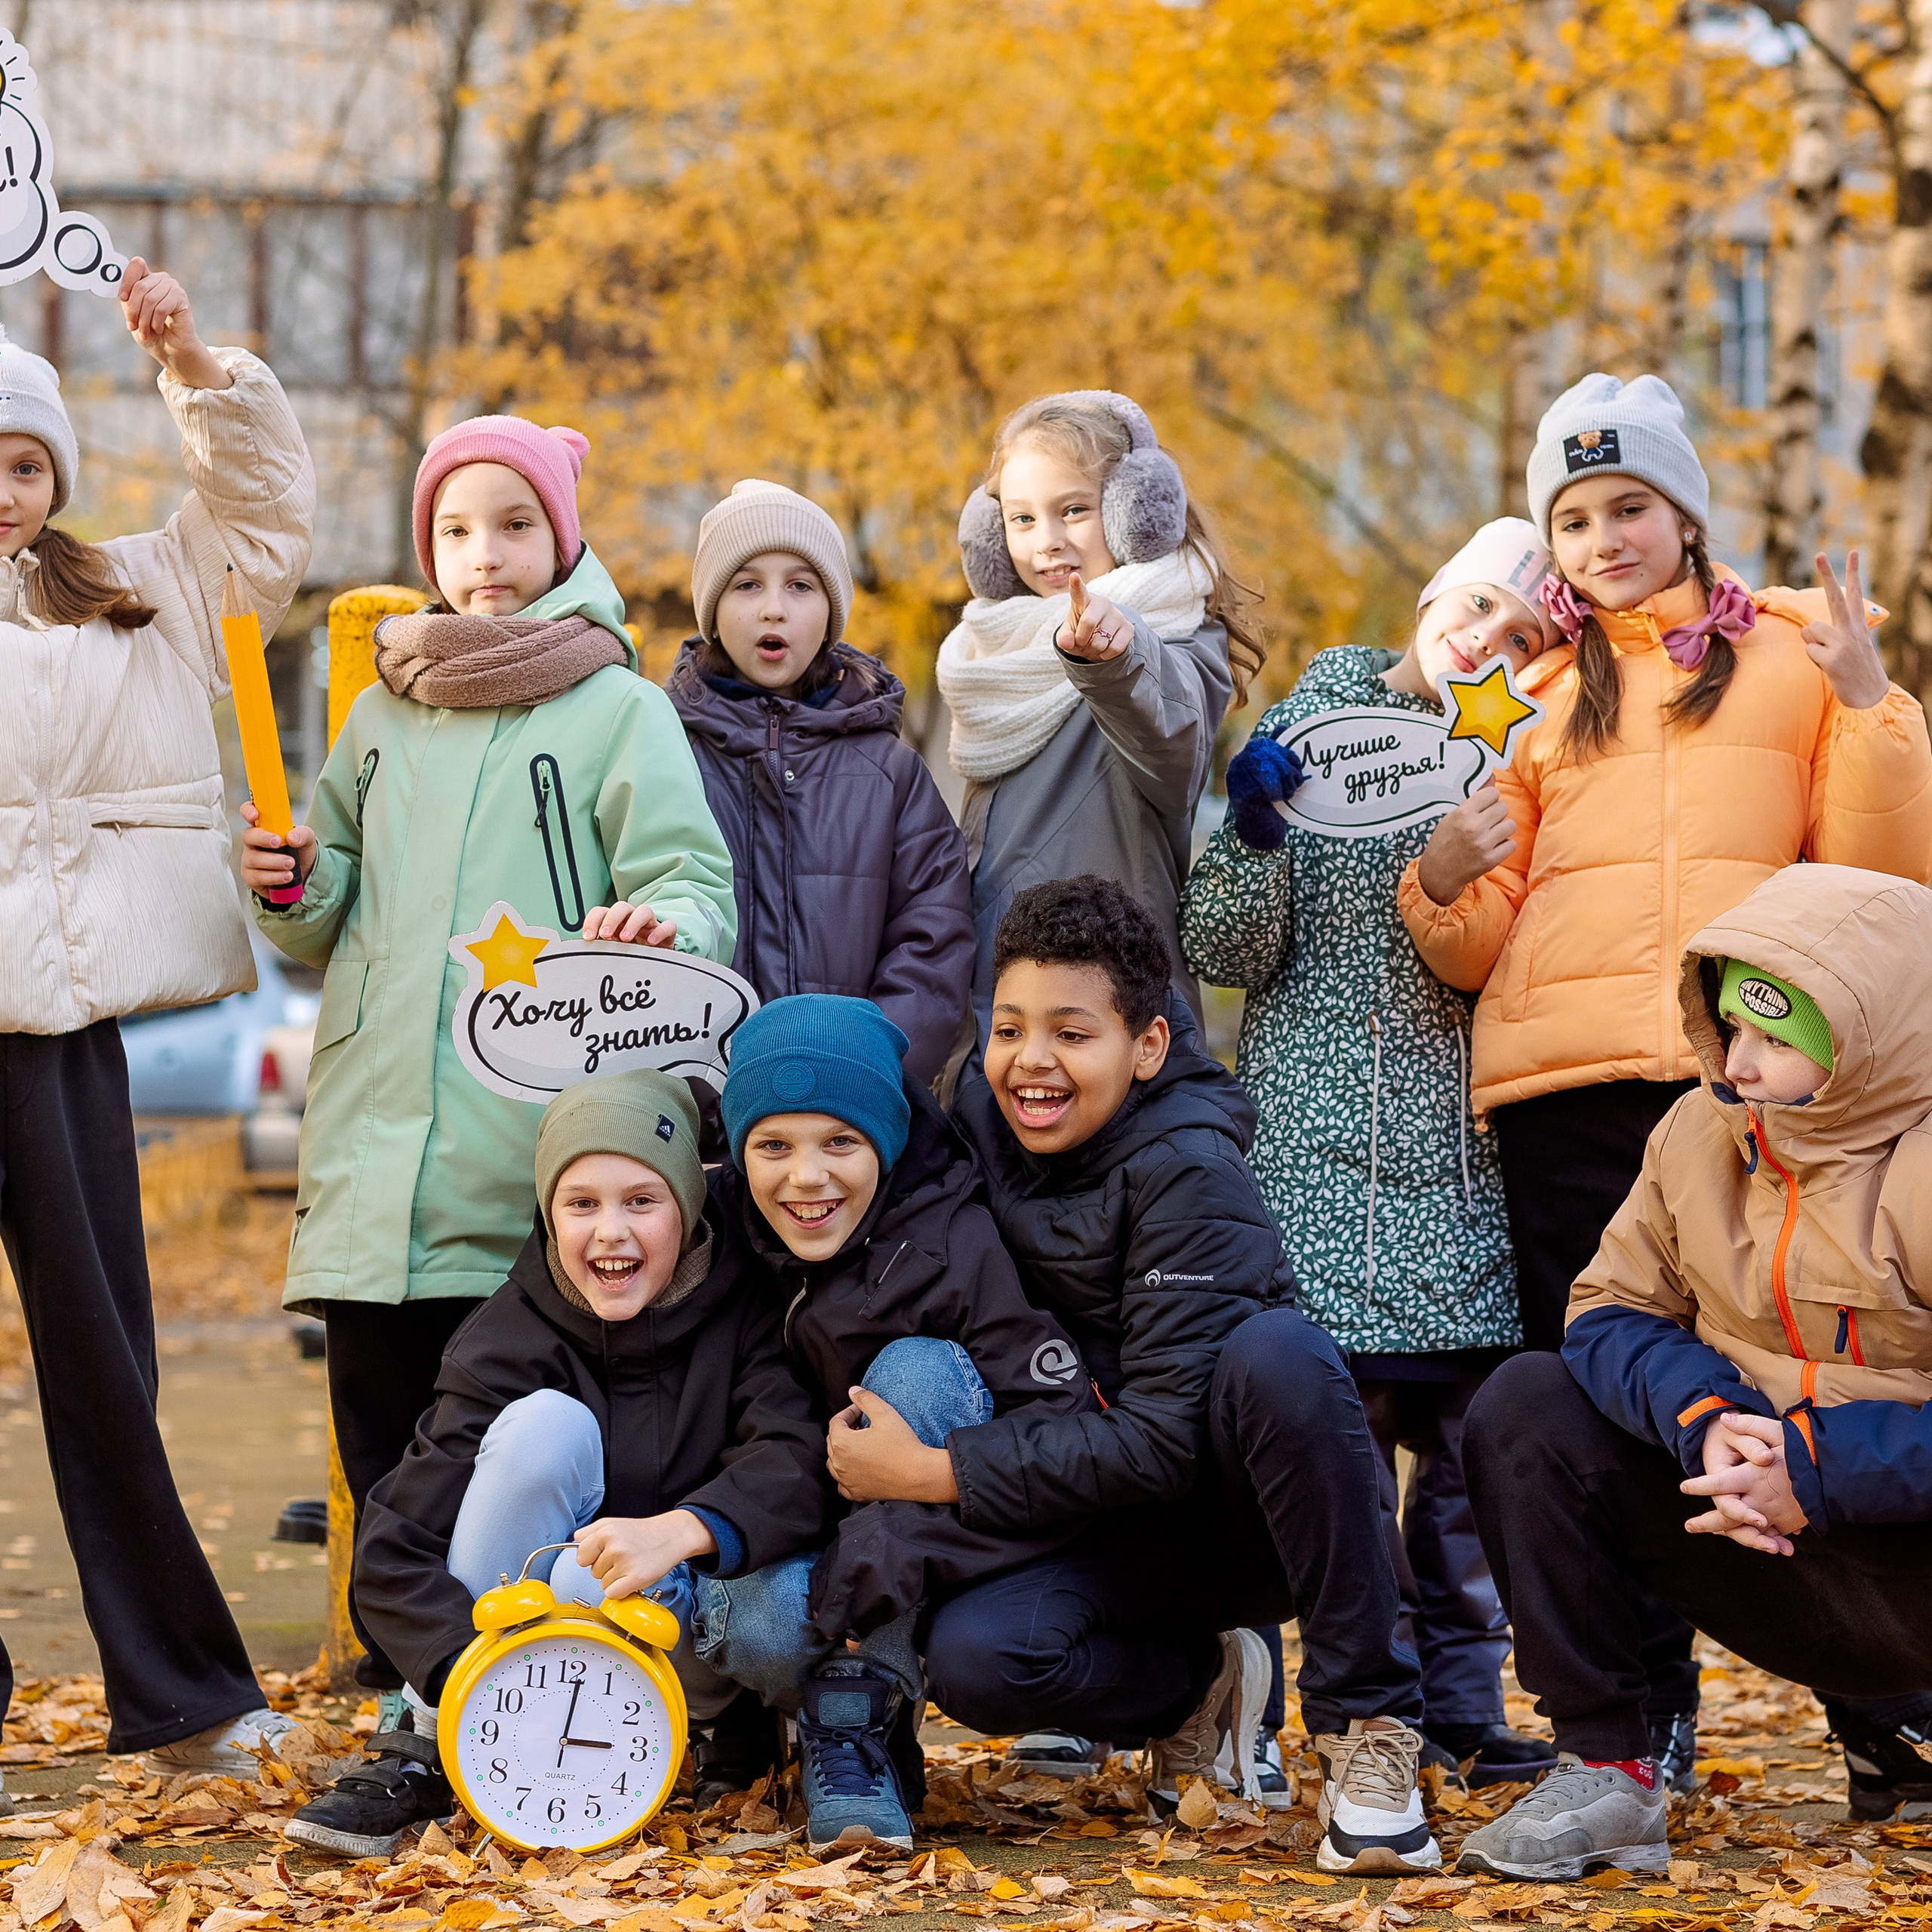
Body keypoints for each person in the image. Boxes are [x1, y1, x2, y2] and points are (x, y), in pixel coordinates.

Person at [1398, 374, 1932, 1783]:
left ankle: (1879, 1698)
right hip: (1567, 1094)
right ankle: (1644, 1714)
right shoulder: (1533, 697)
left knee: (1816, 1363)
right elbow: (1477, 945)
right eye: (1572, 518)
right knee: (1622, 1396)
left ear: (1684, 513)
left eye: (1628, 504)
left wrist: (1875, 713)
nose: (1603, 537)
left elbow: (1878, 882)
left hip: (1763, 1083)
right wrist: (1439, 889)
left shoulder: (1798, 658)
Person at [242, 416, 737, 1718]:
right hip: (371, 1165)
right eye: (455, 531)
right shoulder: (379, 710)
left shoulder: (614, 707)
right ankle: (430, 1700)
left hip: (522, 1156)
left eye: (514, 525)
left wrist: (660, 928)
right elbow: (325, 902)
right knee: (380, 1445)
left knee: (508, 1450)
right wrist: (290, 884)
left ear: (562, 537)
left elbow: (690, 883)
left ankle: (535, 1696)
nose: (485, 555)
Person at [910, 875, 1437, 1873]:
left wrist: (946, 1472)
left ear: (1146, 1046)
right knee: (977, 1661)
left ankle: (1369, 1736)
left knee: (1279, 1354)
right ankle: (1196, 1688)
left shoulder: (1191, 1164)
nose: (1032, 1060)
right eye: (1010, 1027)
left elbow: (1160, 1439)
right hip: (1084, 1515)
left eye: (1073, 1033)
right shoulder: (975, 1118)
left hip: (1231, 1519)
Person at [1180, 519, 1558, 1790]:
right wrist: (1253, 827)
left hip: (1464, 1163)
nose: (1482, 639)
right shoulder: (1317, 724)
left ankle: (1462, 1705)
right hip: (1314, 1167)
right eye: (1475, 607)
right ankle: (1353, 1712)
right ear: (1431, 596)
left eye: (1517, 633)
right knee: (1336, 1462)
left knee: (1459, 1482)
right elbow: (1226, 950)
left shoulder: (1518, 756)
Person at [1458, 865, 1932, 1877]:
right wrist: (1706, 1414)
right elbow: (1610, 1311)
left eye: (1776, 1039)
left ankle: (1903, 1732)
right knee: (1527, 1403)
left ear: (1871, 1037)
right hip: (1765, 1541)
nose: (1738, 1065)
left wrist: (1817, 1465)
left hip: (1906, 1558)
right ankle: (1608, 1769)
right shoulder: (1696, 1133)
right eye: (1729, 1031)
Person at [0, 261, 314, 1776]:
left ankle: (179, 1689)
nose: (1, 491)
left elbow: (258, 526)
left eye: (22, 462)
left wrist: (191, 362)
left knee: (102, 1354)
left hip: (62, 1032)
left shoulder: (136, 589)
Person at [294, 1070, 829, 1857]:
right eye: (582, 1203)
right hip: (524, 1658)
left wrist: (683, 1531)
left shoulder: (743, 1307)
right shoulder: (505, 1337)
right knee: (543, 1428)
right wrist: (461, 1669)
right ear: (548, 1213)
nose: (610, 1231)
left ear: (686, 1203)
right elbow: (391, 1549)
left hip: (685, 1623)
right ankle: (437, 1738)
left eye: (641, 1201)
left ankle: (725, 1729)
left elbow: (794, 1460)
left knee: (596, 1572)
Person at [710, 994, 1104, 1841]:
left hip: (921, 1535)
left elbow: (1059, 1423)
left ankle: (860, 1714)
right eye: (772, 1145)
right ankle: (796, 1716)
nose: (806, 1177)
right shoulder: (721, 1236)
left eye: (840, 1143)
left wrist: (907, 1512)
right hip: (783, 1526)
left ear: (884, 1143)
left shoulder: (952, 1243)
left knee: (915, 1370)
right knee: (767, 1630)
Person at [936, 389, 1262, 1051]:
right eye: (1022, 520)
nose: (1047, 542)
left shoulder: (1171, 641)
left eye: (1074, 510)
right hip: (998, 1006)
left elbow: (1173, 746)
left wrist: (1116, 658)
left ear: (1133, 513)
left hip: (1115, 1010)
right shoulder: (994, 657)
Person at [667, 481, 973, 1088]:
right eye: (746, 584)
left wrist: (859, 1077)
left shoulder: (891, 773)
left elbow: (932, 944)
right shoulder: (661, 754)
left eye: (800, 586)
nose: (773, 607)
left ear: (830, 612)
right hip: (693, 1118)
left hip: (846, 1119)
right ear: (712, 611)